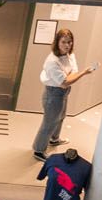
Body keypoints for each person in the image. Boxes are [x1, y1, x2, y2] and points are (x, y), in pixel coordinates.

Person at [34, 28, 95, 157]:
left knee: (60, 117)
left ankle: (54, 139)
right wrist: (83, 73)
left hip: (64, 92)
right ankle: (38, 150)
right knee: (49, 123)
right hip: (53, 94)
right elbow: (65, 82)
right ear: (57, 43)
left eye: (70, 42)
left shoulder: (70, 55)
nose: (67, 45)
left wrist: (71, 77)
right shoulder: (52, 61)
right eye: (64, 42)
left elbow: (73, 73)